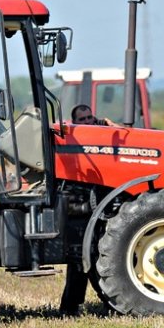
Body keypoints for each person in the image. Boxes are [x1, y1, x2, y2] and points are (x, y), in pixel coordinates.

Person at [59, 104, 119, 316]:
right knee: (81, 258)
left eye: (89, 118)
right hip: (77, 205)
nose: (87, 122)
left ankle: (105, 302)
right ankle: (71, 307)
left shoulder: (100, 137)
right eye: (82, 119)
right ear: (74, 122)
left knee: (94, 256)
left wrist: (111, 126)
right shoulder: (71, 139)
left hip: (94, 207)